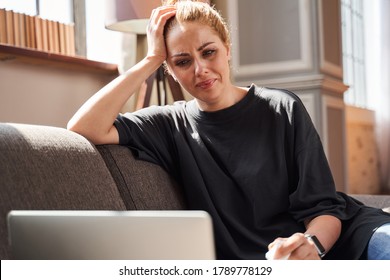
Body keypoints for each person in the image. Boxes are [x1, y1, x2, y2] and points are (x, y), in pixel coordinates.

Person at [67, 0, 390, 260]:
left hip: (344, 237)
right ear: (170, 70)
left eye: (208, 52)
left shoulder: (281, 107)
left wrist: (312, 247)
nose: (200, 69)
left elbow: (324, 207)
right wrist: (151, 57)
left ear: (227, 49)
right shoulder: (167, 124)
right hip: (265, 264)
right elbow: (84, 127)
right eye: (182, 61)